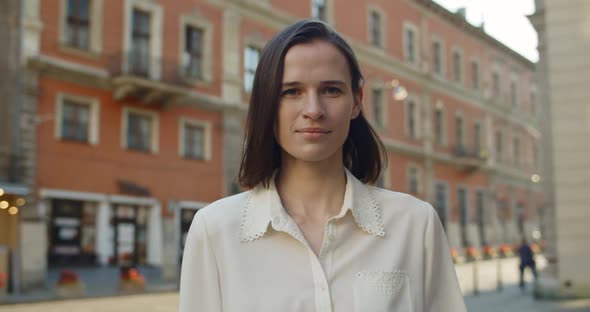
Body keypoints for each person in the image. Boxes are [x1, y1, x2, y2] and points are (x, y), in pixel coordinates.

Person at [179, 20, 466, 312]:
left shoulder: (415, 224)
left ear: (357, 101)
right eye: (291, 92)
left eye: (331, 90)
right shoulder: (215, 230)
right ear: (267, 104)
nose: (314, 110)